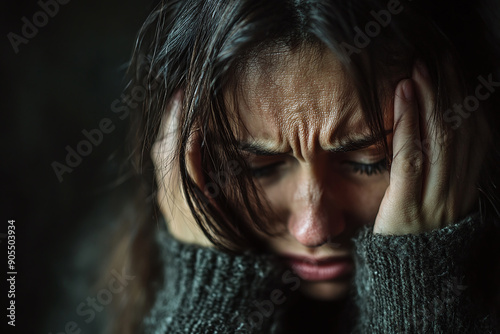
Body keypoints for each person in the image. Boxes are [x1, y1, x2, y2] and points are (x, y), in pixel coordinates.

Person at [109, 0, 500, 333]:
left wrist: (419, 287)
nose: (313, 230)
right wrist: (205, 299)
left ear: (462, 134)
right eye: (256, 167)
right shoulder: (109, 288)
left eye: (371, 163)